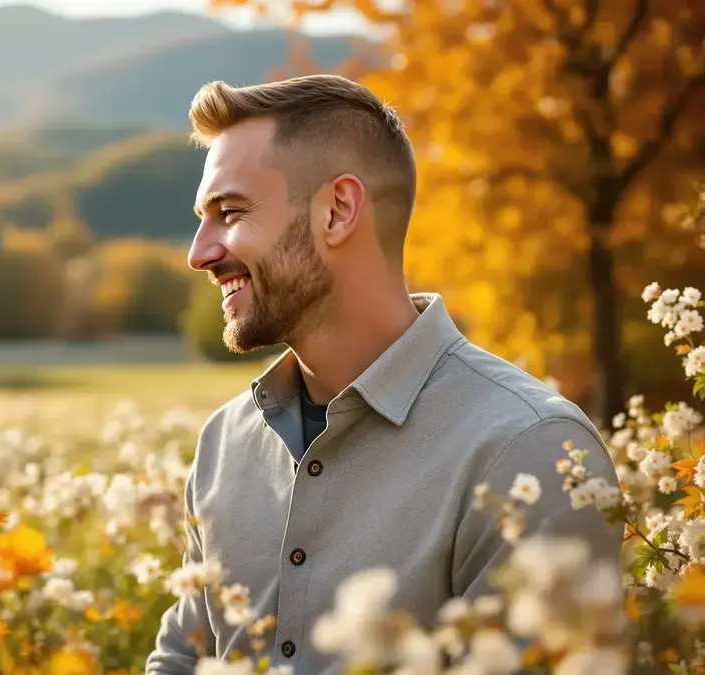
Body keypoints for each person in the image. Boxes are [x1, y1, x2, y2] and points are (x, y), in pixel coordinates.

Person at [146, 74, 621, 673]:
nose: (199, 253)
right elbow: (181, 659)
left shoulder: (528, 451)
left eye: (230, 212)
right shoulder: (224, 443)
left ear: (338, 211)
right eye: (203, 218)